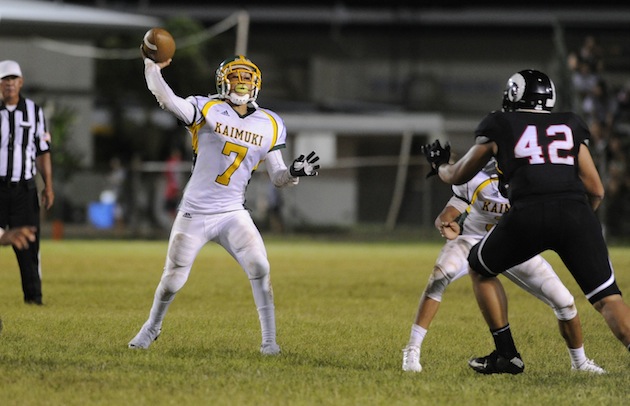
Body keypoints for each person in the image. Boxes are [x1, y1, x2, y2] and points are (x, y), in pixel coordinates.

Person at [422, 69, 630, 374]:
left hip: (528, 213)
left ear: (513, 95)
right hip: (576, 213)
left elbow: (458, 175)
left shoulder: (500, 123)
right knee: (607, 298)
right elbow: (596, 189)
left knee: (479, 267)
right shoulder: (570, 123)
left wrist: (440, 164)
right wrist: (577, 222)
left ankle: (506, 353)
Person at [128, 53, 320, 355]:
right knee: (173, 279)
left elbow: (278, 176)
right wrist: (151, 67)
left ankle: (270, 342)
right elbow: (166, 99)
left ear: (256, 83)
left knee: (260, 266)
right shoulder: (206, 108)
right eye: (235, 76)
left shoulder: (270, 123)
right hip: (195, 210)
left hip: (232, 212)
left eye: (246, 77)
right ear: (222, 81)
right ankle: (152, 326)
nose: (240, 82)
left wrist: (294, 173)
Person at [402, 160, 604, 374]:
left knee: (565, 301)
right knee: (440, 275)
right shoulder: (477, 175)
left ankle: (580, 363)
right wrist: (445, 224)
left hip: (512, 243)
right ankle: (412, 348)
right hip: (474, 238)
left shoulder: (534, 180)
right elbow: (449, 213)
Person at [0, 60, 54, 306]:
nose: (9, 83)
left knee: (29, 244)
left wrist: (49, 186)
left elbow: (43, 152)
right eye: (4, 79)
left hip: (24, 188)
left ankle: (34, 298)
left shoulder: (34, 112)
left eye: (13, 79)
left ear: (20, 82)